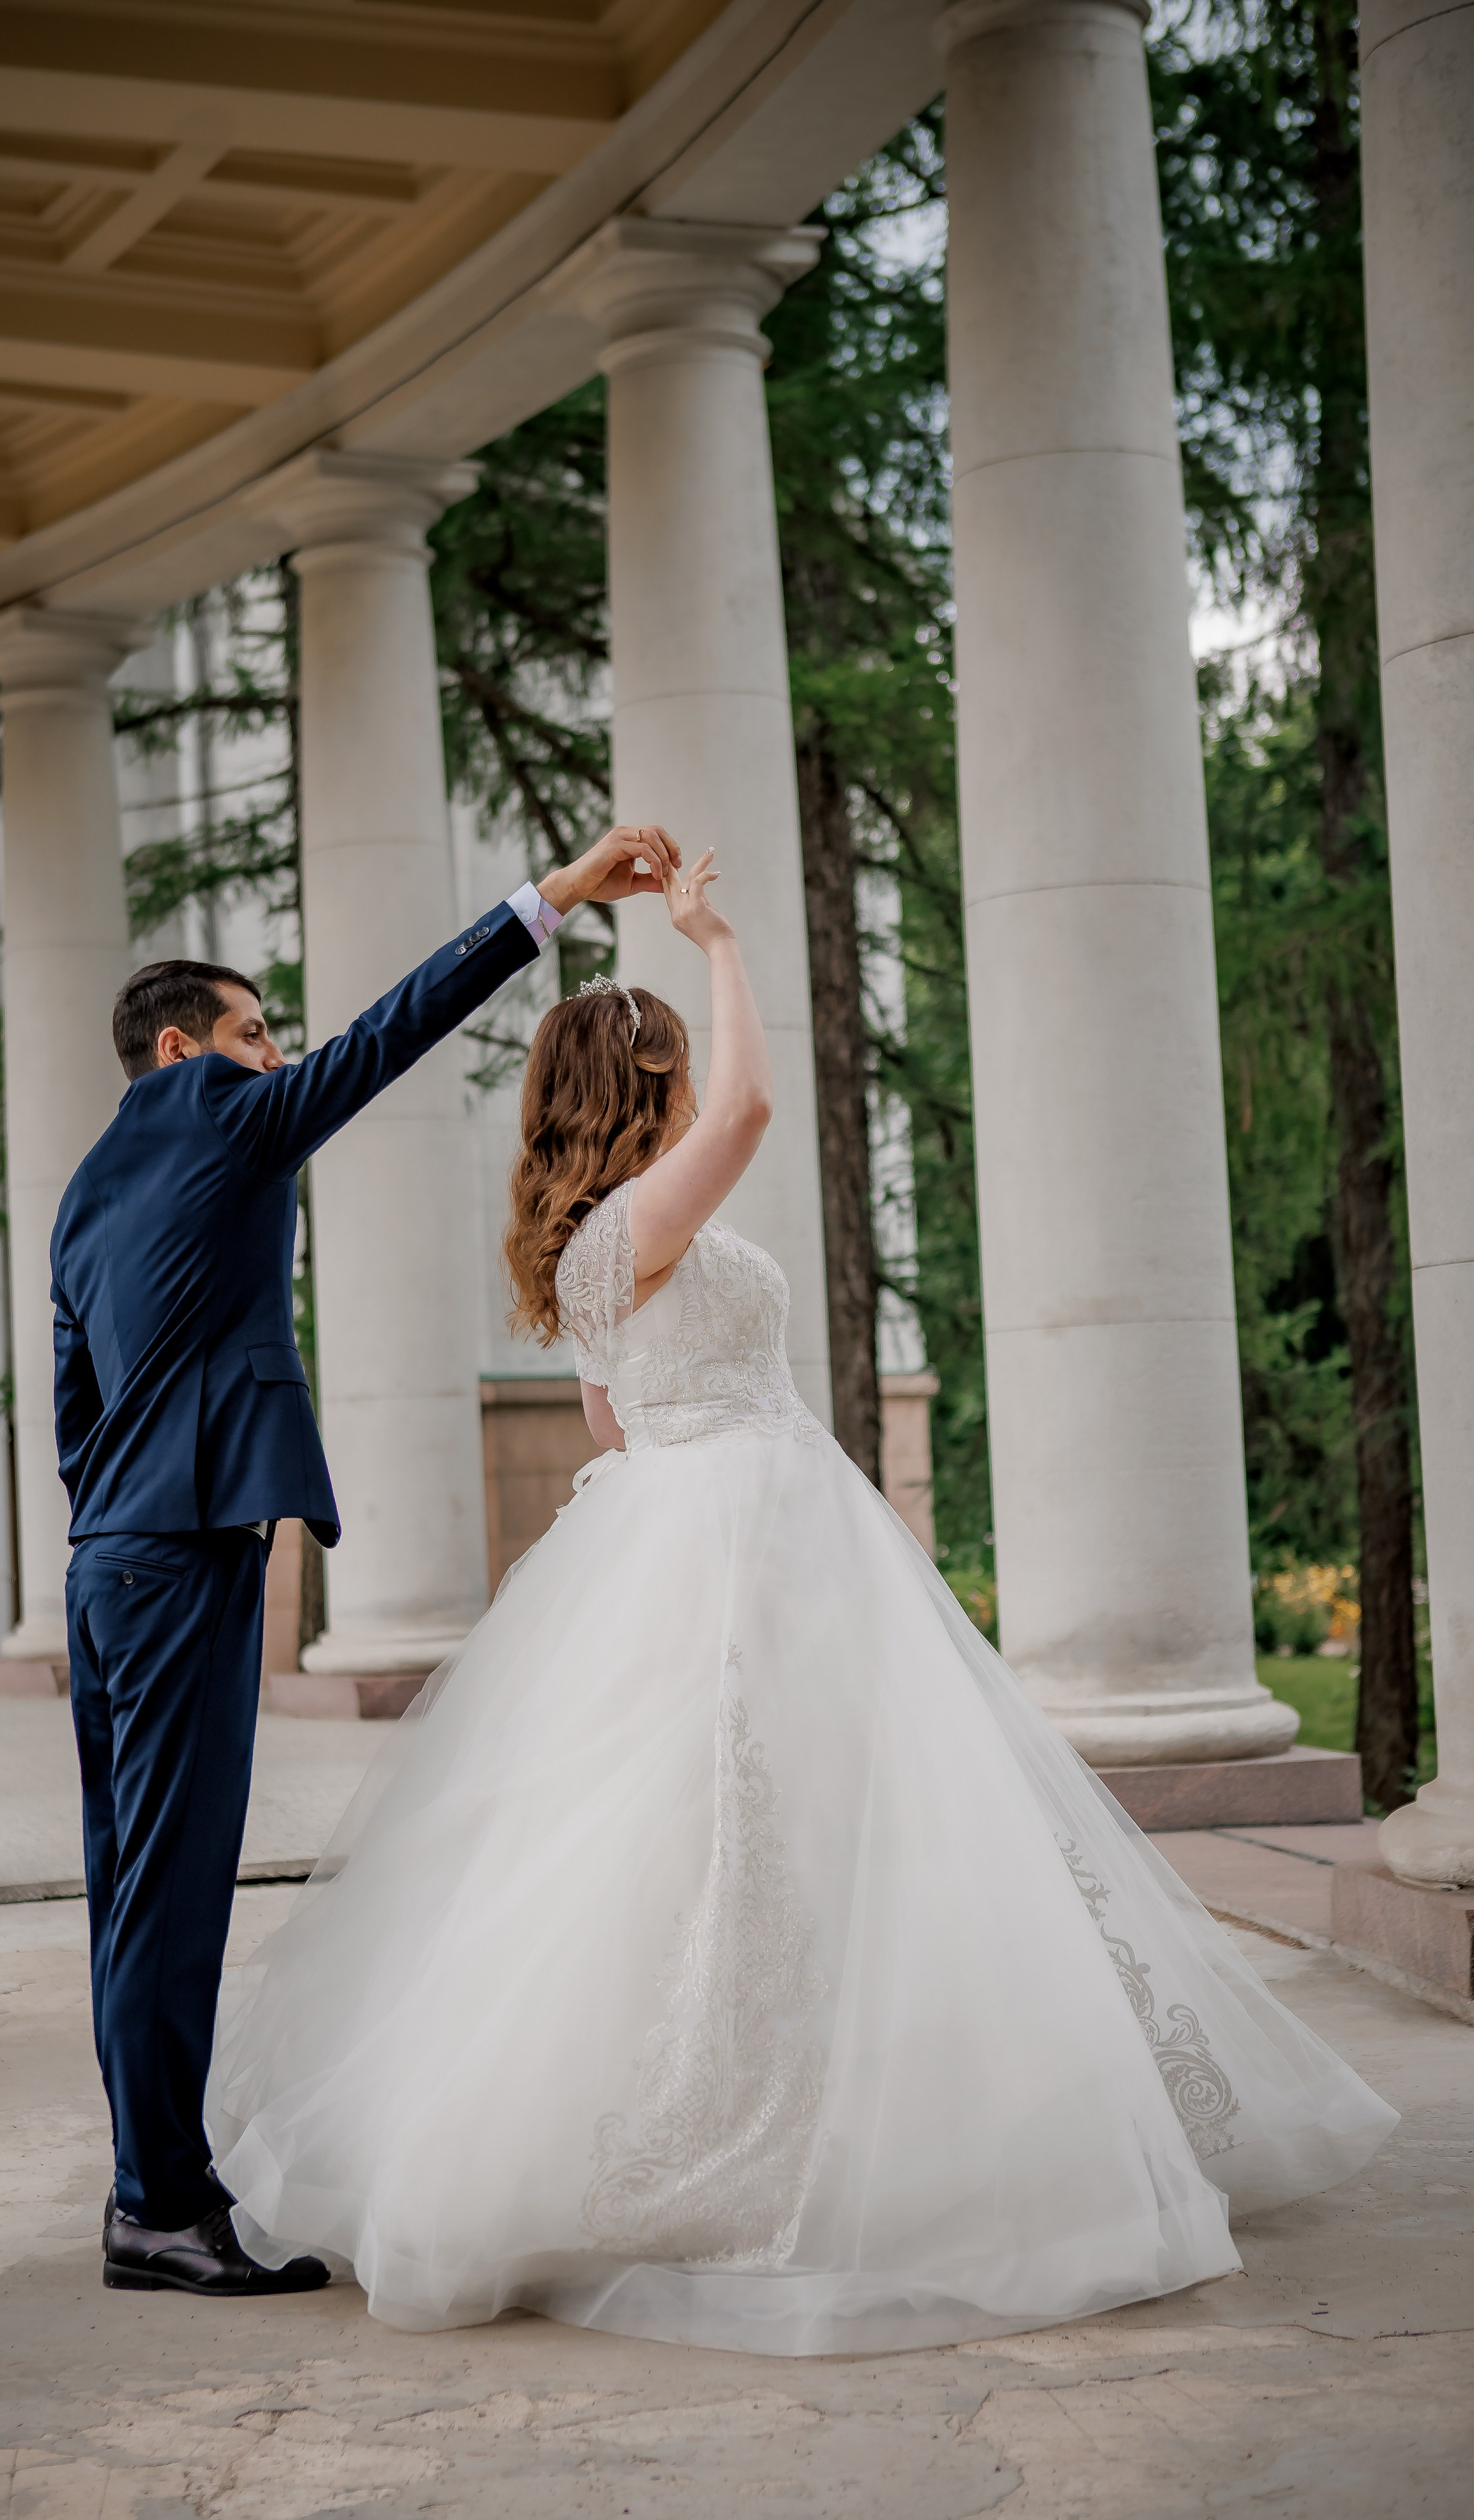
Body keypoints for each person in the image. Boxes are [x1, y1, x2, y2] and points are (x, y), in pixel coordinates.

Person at [207, 844, 1396, 2357]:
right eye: (676, 1066)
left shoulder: (586, 1244)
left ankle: (832, 2095)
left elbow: (609, 1422)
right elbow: (756, 1113)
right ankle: (805, 2137)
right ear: (645, 1083)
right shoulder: (644, 1221)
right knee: (777, 1821)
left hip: (693, 1515)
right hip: (746, 1528)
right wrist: (714, 941)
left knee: (745, 1831)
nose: (698, 1087)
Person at [51, 823, 679, 2297]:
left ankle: (156, 2185)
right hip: (180, 1556)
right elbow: (391, 1033)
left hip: (106, 1559)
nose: (277, 1056)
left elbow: (73, 1408)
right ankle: (156, 2204)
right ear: (178, 1049)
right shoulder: (219, 1114)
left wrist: (126, 1512)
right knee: (173, 1891)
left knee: (128, 1888)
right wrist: (552, 899)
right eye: (253, 1032)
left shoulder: (84, 1191)